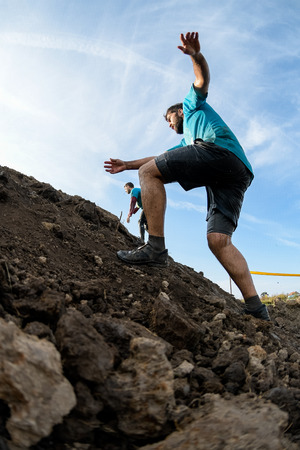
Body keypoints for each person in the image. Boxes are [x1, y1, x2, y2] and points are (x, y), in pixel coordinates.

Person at [104, 32, 270, 321]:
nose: (170, 125)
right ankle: (257, 307)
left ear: (179, 111)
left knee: (149, 173)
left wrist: (196, 55)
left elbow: (202, 80)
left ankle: (155, 249)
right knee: (219, 240)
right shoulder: (187, 143)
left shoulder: (192, 106)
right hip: (237, 172)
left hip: (219, 152)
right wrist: (128, 164)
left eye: (170, 120)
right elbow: (155, 160)